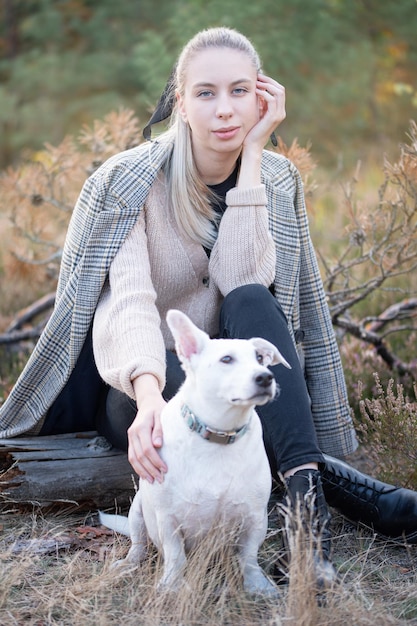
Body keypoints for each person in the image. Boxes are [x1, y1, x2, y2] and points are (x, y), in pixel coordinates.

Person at [1, 27, 416, 585]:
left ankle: (304, 519)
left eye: (240, 91)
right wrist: (148, 398)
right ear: (180, 99)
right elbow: (127, 302)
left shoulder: (274, 176)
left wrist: (252, 156)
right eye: (206, 93)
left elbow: (245, 282)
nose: (225, 110)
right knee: (188, 379)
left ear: (263, 97)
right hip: (139, 384)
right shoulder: (126, 182)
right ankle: (365, 498)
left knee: (251, 301)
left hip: (234, 382)